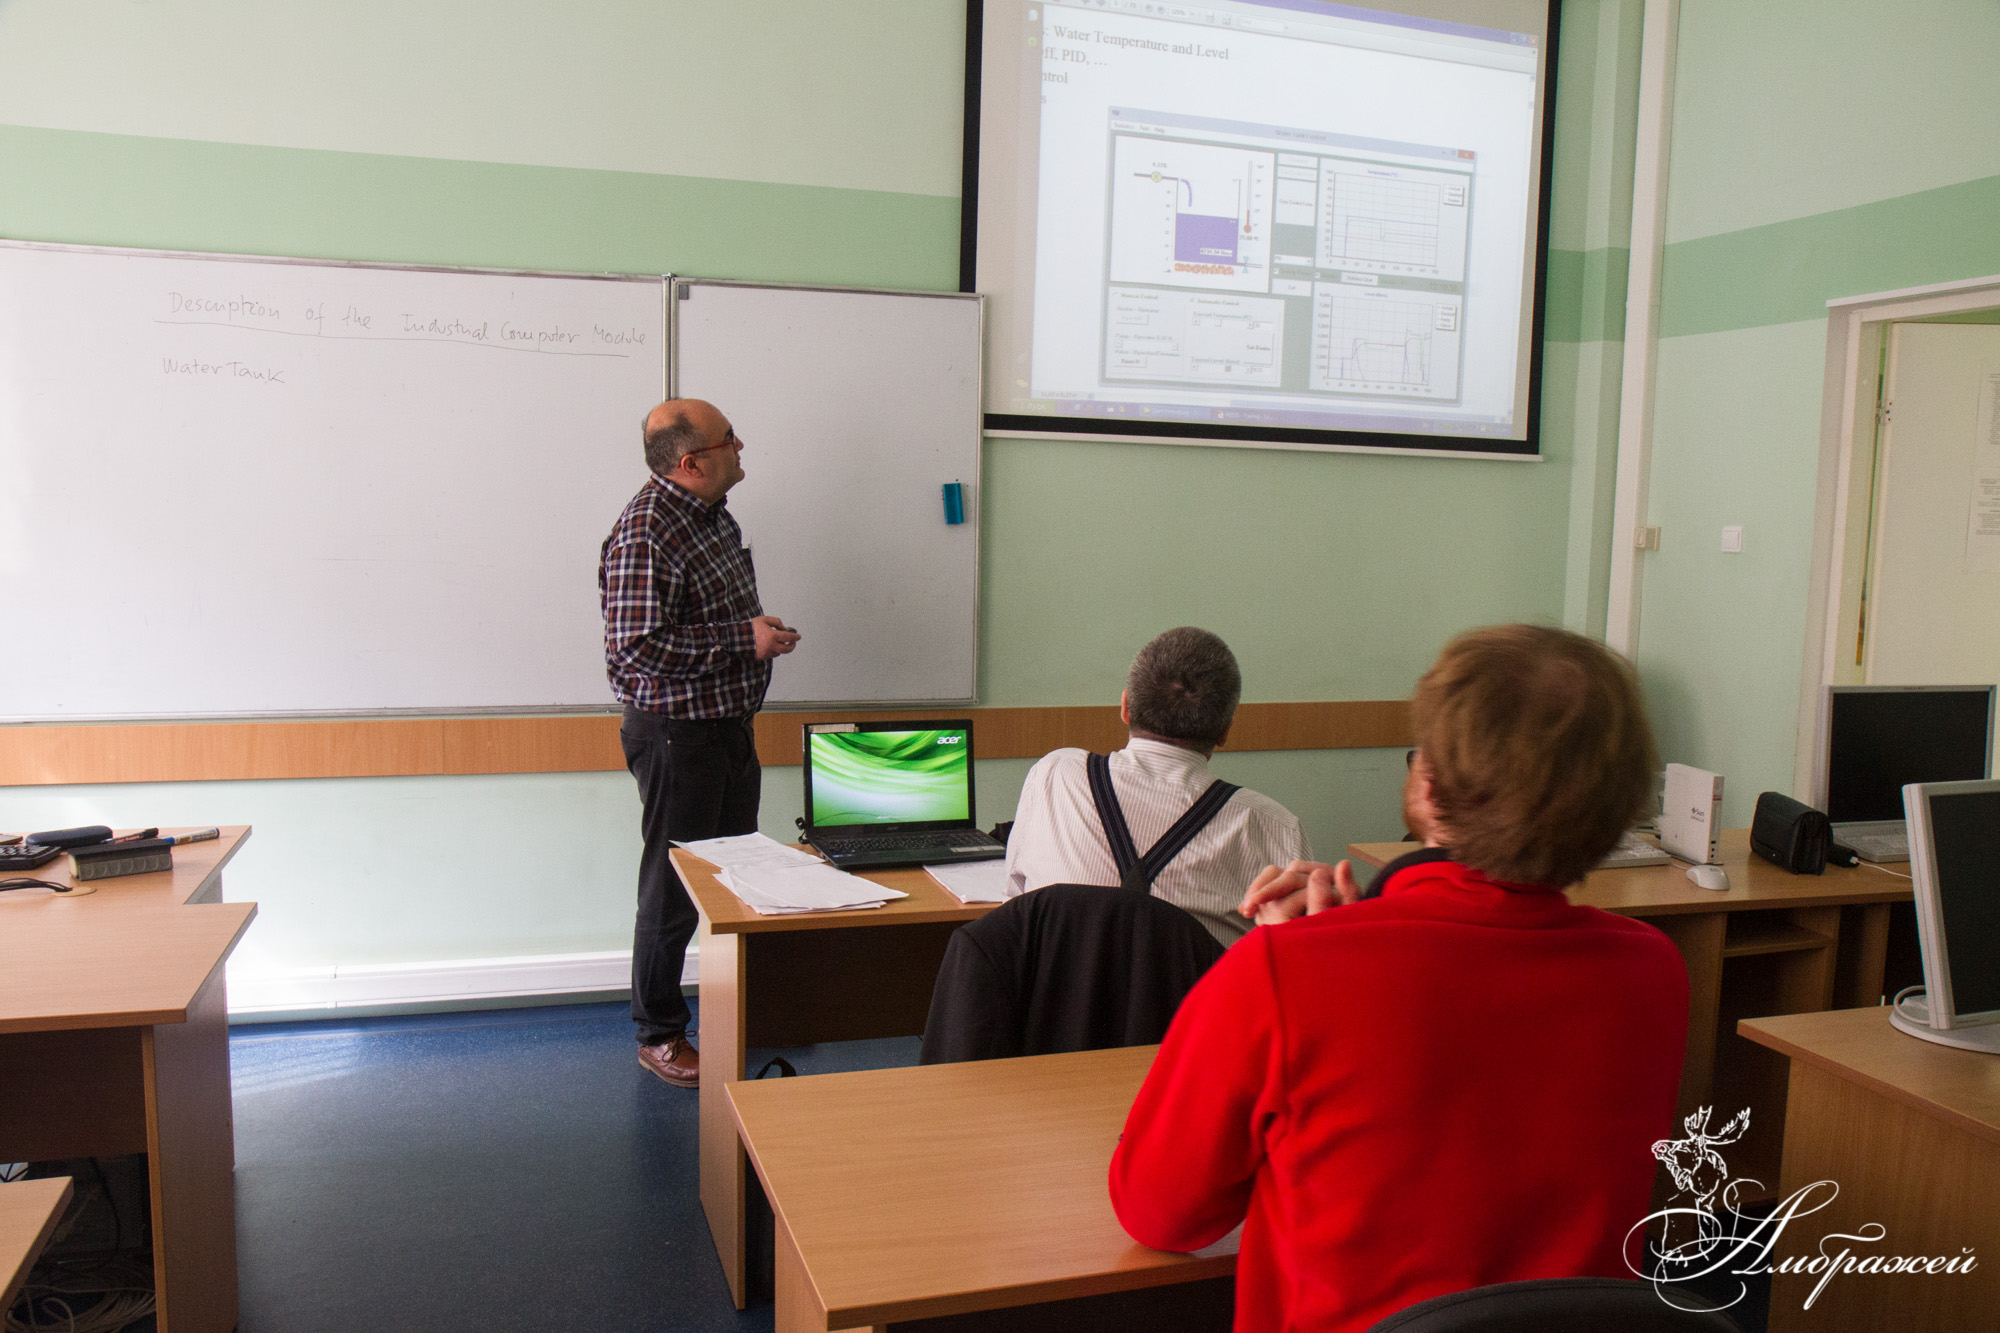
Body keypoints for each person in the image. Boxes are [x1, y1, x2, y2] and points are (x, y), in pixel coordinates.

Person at [1110, 625, 1689, 1333]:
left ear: (1428, 783)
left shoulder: (1282, 971)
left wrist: (1317, 956)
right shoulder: (1654, 969)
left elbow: (1160, 1212)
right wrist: (1354, 932)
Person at [599, 399, 800, 1088]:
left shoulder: (713, 515)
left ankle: (731, 1015)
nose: (741, 446)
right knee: (673, 889)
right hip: (677, 738)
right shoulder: (646, 533)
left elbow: (700, 620)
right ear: (691, 462)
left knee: (733, 877)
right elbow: (635, 650)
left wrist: (754, 633)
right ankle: (658, 1034)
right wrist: (743, 639)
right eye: (728, 439)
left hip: (727, 728)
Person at [1003, 626, 1308, 945]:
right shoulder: (1275, 827)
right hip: (1200, 981)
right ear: (1225, 731)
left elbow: (1012, 912)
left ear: (1125, 708)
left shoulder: (1053, 774)